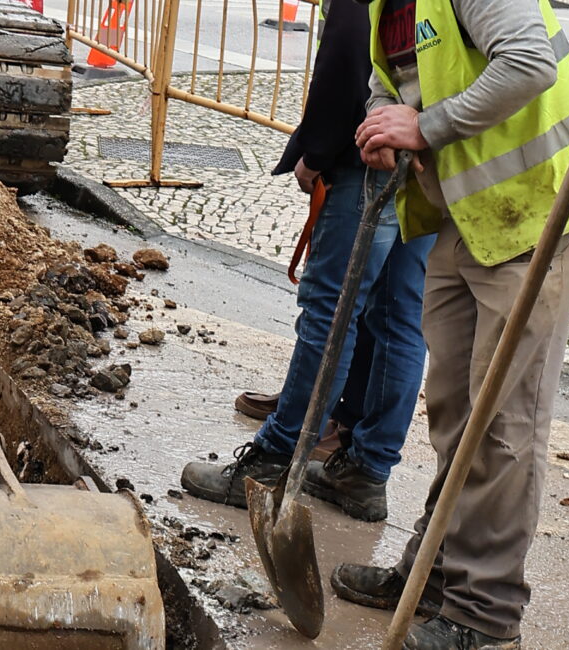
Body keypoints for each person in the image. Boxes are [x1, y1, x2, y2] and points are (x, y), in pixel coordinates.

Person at [326, 0, 569, 647]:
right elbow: (398, 78)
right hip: (471, 213)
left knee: (502, 420)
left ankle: (485, 614)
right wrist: (383, 123)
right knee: (456, 408)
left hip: (542, 207)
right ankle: (435, 572)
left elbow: (528, 63)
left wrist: (426, 128)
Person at [178, 0, 436, 524]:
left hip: (371, 157)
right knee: (398, 319)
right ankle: (365, 470)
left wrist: (316, 153)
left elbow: (345, 58)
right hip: (425, 156)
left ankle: (275, 458)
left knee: (331, 313)